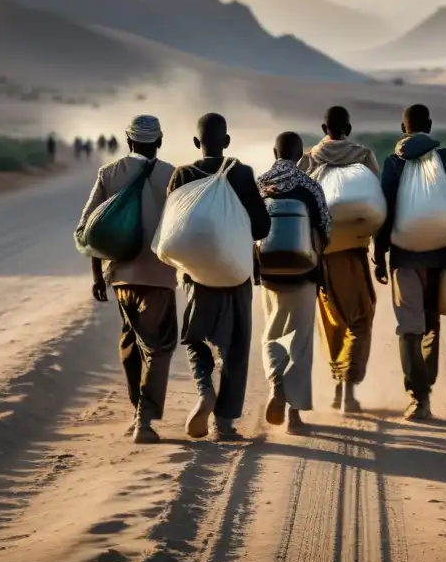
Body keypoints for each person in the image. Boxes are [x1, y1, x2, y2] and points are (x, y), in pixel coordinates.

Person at [167, 113, 272, 441]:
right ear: (226, 142)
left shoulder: (183, 174)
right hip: (236, 273)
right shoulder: (240, 173)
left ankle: (203, 389)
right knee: (235, 346)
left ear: (197, 143)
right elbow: (261, 227)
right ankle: (224, 422)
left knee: (196, 336)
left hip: (196, 275)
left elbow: (170, 226)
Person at [79, 115, 177, 444]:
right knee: (159, 348)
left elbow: (91, 229)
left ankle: (138, 409)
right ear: (159, 142)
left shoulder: (108, 173)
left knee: (131, 344)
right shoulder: (174, 176)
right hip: (160, 277)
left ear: (128, 140)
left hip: (120, 276)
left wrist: (97, 275)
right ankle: (144, 420)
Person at [374, 104, 446, 421]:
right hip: (442, 256)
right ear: (429, 125)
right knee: (431, 324)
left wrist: (379, 252)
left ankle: (419, 396)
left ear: (403, 129)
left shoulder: (393, 162)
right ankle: (425, 380)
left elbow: (385, 208)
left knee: (409, 329)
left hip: (404, 257)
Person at [298, 105, 381, 413]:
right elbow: (377, 200)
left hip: (322, 252)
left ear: (324, 128)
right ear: (349, 126)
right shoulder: (363, 155)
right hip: (354, 251)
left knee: (333, 320)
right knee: (360, 319)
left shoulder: (309, 158)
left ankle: (338, 387)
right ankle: (347, 387)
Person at [256, 132, 332, 433]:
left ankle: (276, 384)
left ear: (275, 152)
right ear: (302, 156)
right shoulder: (310, 186)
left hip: (271, 273)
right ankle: (295, 415)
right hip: (303, 273)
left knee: (273, 332)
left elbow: (251, 227)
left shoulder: (260, 184)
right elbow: (325, 228)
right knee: (300, 341)